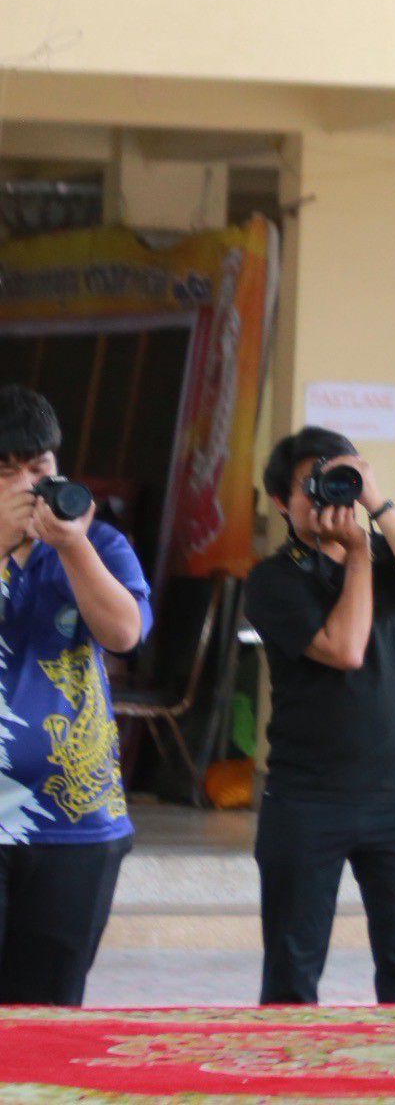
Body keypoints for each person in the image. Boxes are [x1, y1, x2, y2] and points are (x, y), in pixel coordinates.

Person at [244, 427, 395, 1007]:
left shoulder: (390, 556)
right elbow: (345, 647)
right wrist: (358, 555)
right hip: (307, 801)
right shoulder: (273, 579)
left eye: (336, 482)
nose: (326, 498)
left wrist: (378, 506)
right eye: (310, 488)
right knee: (292, 972)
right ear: (281, 503)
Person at [0, 386, 150, 1005]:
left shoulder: (100, 546)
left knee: (49, 1016)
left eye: (39, 470)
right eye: (7, 472)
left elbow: (124, 633)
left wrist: (73, 546)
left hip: (76, 825)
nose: (27, 487)